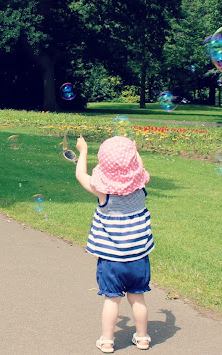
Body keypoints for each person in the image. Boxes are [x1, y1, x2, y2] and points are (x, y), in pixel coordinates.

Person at [75, 135, 154, 353]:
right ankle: (142, 338)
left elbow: (81, 174)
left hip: (112, 261)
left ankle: (108, 341)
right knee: (138, 298)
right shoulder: (141, 187)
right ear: (134, 165)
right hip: (138, 258)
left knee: (112, 300)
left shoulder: (103, 192)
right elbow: (140, 168)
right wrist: (135, 151)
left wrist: (83, 151)